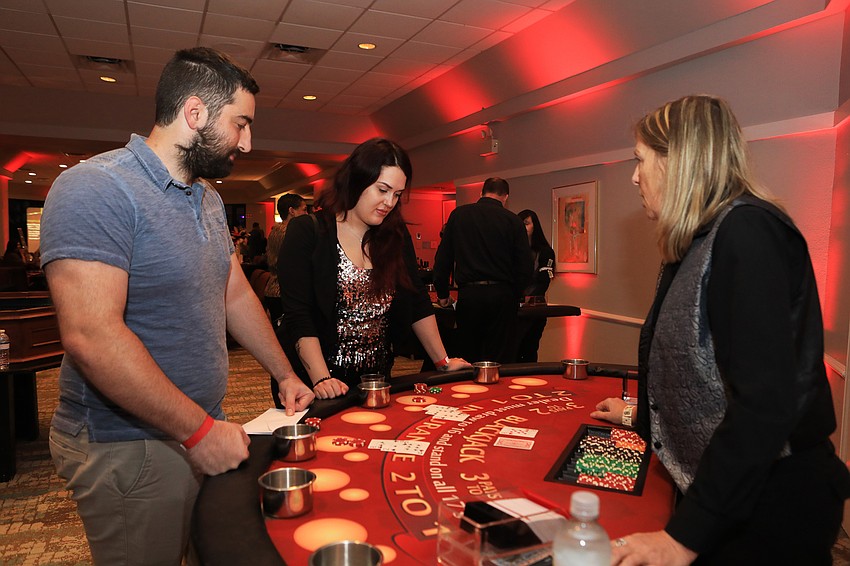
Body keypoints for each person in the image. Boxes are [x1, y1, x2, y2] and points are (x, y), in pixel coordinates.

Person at [39, 47, 314, 565]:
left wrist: (284, 373)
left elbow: (233, 294)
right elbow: (92, 335)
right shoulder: (97, 188)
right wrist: (199, 431)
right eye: (241, 124)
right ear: (195, 115)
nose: (248, 141)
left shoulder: (207, 198)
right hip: (130, 443)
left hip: (197, 425)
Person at [590, 94, 850, 565]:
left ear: (679, 161)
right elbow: (708, 371)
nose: (634, 175)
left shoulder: (747, 233)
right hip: (736, 492)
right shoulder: (700, 240)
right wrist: (640, 416)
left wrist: (681, 539)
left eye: (640, 160)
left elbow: (765, 402)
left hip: (772, 509)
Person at [278, 137, 470, 400]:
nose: (390, 202)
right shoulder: (308, 231)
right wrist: (322, 379)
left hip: (376, 380)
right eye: (382, 190)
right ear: (357, 180)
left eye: (397, 194)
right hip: (315, 383)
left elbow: (417, 301)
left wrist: (443, 361)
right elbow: (298, 315)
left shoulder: (395, 235)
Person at [432, 177, 533, 363]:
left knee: (468, 354)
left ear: (481, 193)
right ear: (506, 197)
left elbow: (443, 258)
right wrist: (515, 293)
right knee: (500, 356)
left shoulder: (459, 215)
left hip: (470, 295)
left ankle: (468, 390)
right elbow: (525, 266)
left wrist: (442, 293)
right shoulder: (513, 221)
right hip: (502, 295)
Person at [266, 193, 307, 408]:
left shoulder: (274, 229)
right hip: (283, 290)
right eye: (303, 209)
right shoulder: (290, 231)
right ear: (292, 211)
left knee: (280, 341)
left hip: (272, 288)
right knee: (288, 343)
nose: (306, 214)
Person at [513, 209, 555, 362]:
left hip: (534, 309)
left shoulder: (545, 252)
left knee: (529, 348)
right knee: (512, 349)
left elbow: (544, 282)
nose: (523, 228)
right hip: (514, 309)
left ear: (534, 226)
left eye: (526, 224)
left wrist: (524, 299)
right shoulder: (513, 251)